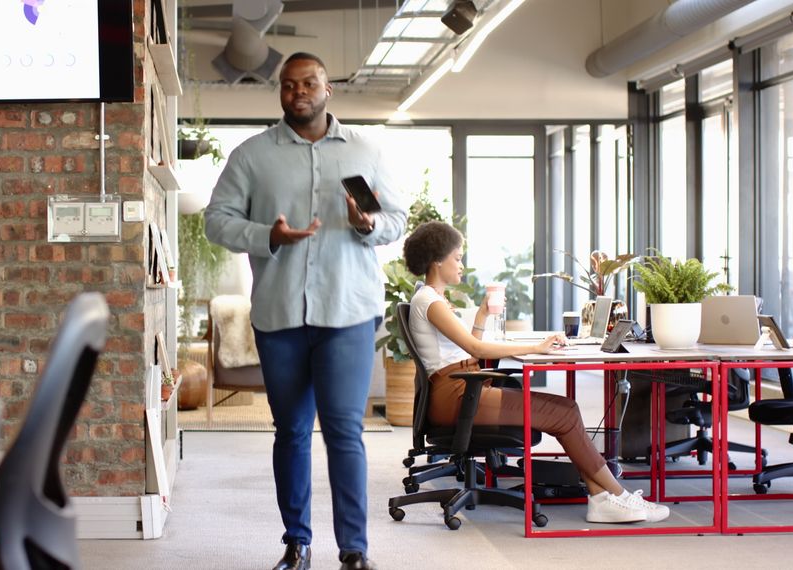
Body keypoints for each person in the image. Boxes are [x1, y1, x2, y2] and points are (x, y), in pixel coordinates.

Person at [204, 52, 406, 570]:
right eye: (289, 85)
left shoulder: (365, 150)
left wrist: (368, 226)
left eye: (309, 83)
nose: (299, 92)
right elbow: (216, 222)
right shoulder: (251, 156)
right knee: (291, 431)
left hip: (348, 314)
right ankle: (297, 543)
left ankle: (354, 550)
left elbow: (397, 220)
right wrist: (266, 235)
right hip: (280, 316)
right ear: (281, 93)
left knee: (344, 432)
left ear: (327, 88)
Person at [402, 221, 671, 524]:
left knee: (566, 409)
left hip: (461, 388)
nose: (462, 265)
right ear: (438, 260)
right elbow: (476, 350)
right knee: (564, 414)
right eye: (457, 257)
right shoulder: (430, 301)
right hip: (456, 396)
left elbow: (468, 348)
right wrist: (539, 346)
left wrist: (481, 315)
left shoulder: (432, 299)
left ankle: (602, 498)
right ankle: (615, 495)